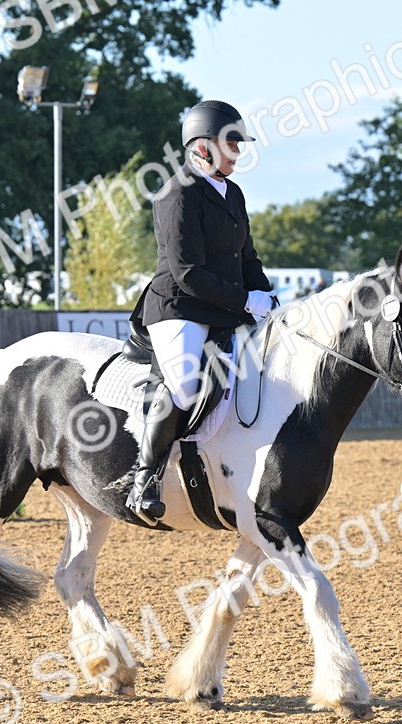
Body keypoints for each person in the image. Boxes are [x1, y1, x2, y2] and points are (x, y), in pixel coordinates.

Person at [125, 100, 276, 523]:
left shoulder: (233, 193)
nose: (239, 151)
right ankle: (145, 478)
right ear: (203, 146)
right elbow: (188, 271)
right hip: (180, 306)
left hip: (224, 307)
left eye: (239, 143)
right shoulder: (177, 192)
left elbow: (247, 260)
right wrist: (246, 301)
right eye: (232, 143)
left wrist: (268, 297)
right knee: (186, 385)